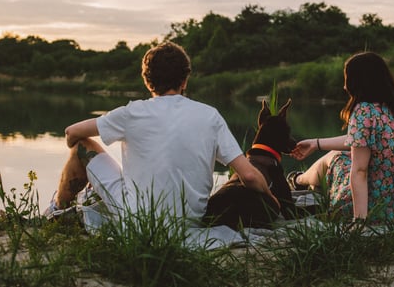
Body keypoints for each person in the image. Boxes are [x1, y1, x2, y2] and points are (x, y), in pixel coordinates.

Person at [45, 41, 276, 223]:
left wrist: (79, 157)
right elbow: (249, 176)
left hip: (137, 220)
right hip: (191, 222)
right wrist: (273, 200)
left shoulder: (132, 113)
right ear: (185, 80)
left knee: (82, 147)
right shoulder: (210, 116)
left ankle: (56, 210)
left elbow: (71, 133)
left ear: (148, 82)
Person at [289, 51, 394, 224]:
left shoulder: (364, 111)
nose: (344, 86)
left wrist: (360, 221)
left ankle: (297, 180)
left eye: (347, 79)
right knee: (339, 154)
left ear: (357, 82)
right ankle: (299, 179)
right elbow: (362, 141)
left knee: (335, 157)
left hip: (374, 208)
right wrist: (316, 143)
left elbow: (360, 171)